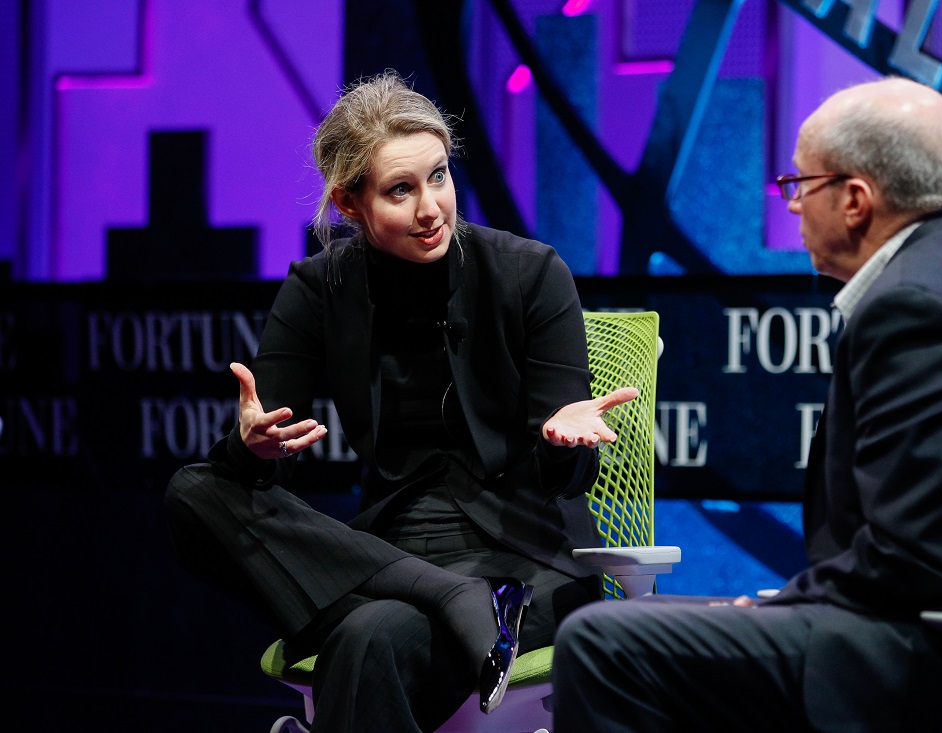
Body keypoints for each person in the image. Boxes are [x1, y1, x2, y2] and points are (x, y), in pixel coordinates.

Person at [551, 76, 942, 732]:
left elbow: (918, 552)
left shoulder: (919, 306)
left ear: (855, 200)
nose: (792, 207)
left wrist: (780, 608)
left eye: (800, 185)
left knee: (603, 643)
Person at [164, 69, 637, 733]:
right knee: (193, 490)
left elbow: (571, 478)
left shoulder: (530, 272)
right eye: (400, 190)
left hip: (527, 556)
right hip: (389, 556)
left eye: (438, 176)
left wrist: (564, 443)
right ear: (348, 203)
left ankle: (463, 600)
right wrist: (252, 450)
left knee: (365, 640)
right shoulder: (320, 288)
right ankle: (448, 593)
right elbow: (265, 459)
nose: (431, 208)